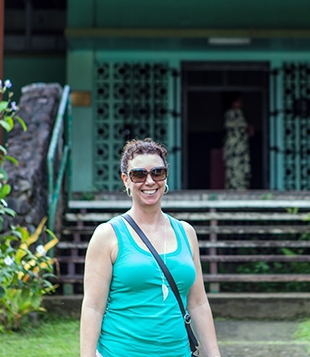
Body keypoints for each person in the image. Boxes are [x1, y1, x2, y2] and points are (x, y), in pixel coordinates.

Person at [80, 138, 221, 357]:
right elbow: (93, 307)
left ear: (165, 177)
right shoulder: (108, 235)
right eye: (139, 174)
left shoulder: (186, 233)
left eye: (157, 173)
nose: (149, 181)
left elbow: (198, 303)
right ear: (126, 180)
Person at [223, 93, 253, 191]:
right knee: (236, 169)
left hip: (237, 148)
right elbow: (241, 128)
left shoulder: (234, 113)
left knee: (237, 169)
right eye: (239, 101)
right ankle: (237, 189)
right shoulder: (234, 113)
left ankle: (236, 188)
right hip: (236, 148)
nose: (241, 103)